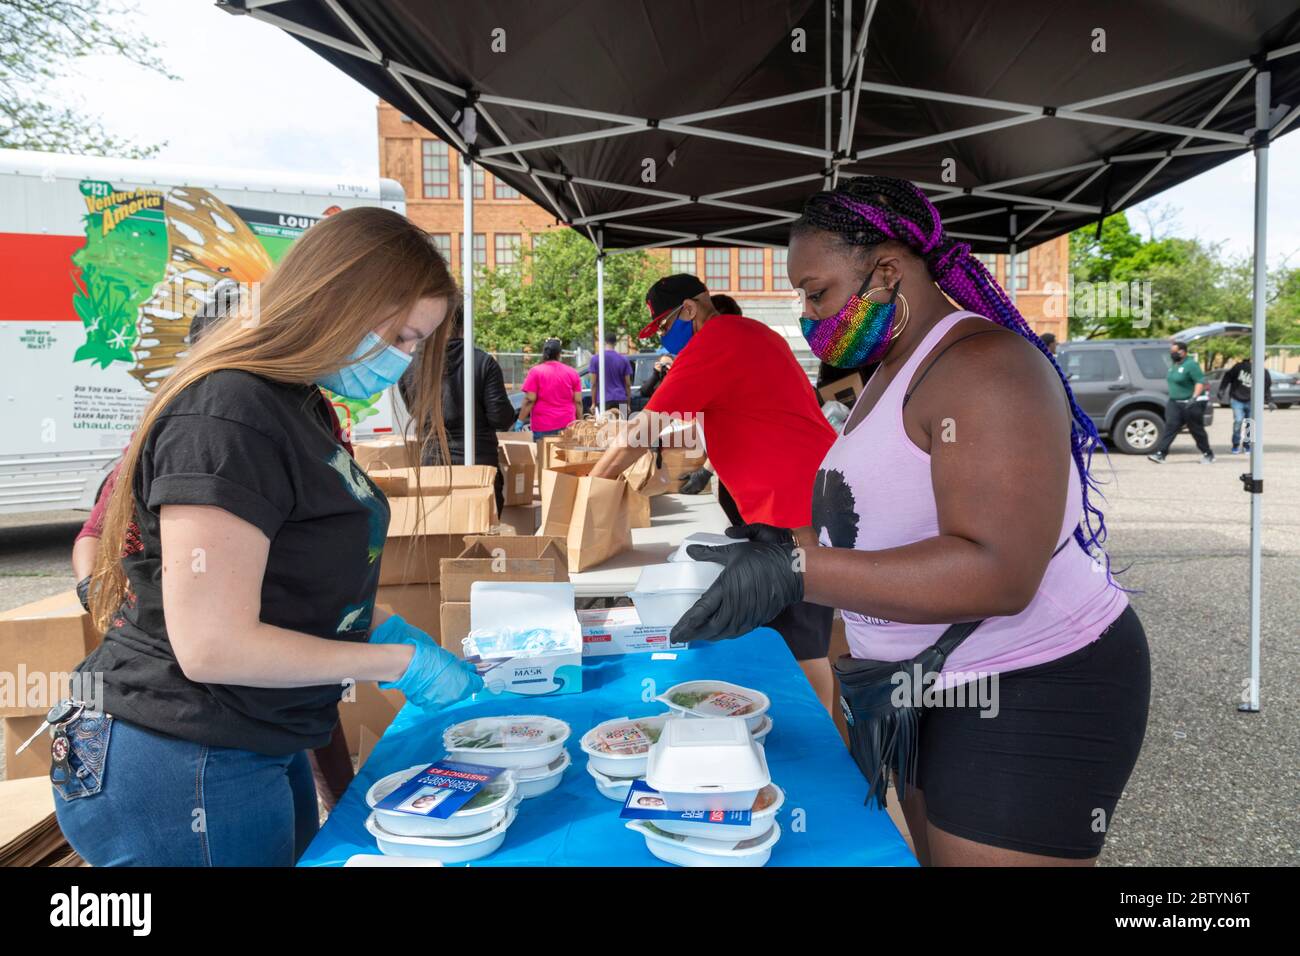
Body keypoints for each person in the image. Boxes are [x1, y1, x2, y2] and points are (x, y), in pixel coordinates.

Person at [671, 176, 1148, 866]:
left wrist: (797, 571)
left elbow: (998, 570)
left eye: (816, 292)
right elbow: (873, 529)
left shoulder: (984, 367)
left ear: (888, 272)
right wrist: (781, 544)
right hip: (925, 685)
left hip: (1029, 678)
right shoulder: (893, 368)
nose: (807, 316)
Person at [58, 207, 483, 866]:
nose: (404, 358)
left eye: (416, 342)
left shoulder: (295, 403)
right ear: (338, 300)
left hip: (248, 735)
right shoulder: (229, 415)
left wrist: (378, 627)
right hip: (178, 747)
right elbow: (213, 645)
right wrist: (395, 665)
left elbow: (287, 577)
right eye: (400, 335)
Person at [587, 274, 839, 710]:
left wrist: (588, 491)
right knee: (789, 636)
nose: (665, 339)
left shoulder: (719, 338)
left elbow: (643, 430)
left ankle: (828, 755)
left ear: (690, 309)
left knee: (804, 644)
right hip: (794, 500)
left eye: (665, 326)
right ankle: (806, 739)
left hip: (795, 509)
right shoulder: (748, 334)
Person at [398, 305, 516, 513]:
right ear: (463, 325)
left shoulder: (411, 365)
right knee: (480, 535)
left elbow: (413, 409)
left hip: (432, 465)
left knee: (439, 535)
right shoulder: (482, 362)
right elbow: (501, 418)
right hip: (478, 464)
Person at [1148, 338, 1214, 463]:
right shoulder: (1175, 365)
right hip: (1175, 402)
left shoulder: (1191, 365)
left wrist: (1193, 398)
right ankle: (1160, 454)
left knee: (1196, 429)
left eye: (1174, 351)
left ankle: (1208, 454)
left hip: (1192, 403)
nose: (1171, 354)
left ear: (1182, 352)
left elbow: (1200, 382)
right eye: (1171, 351)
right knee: (1170, 427)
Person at [516, 337, 582, 440]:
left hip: (543, 425)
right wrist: (580, 422)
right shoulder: (572, 372)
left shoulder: (535, 372)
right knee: (565, 455)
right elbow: (578, 401)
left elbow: (530, 399)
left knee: (544, 455)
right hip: (567, 424)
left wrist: (520, 421)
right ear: (559, 354)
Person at [1218, 356, 1272, 454]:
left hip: (1252, 401)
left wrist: (1270, 401)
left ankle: (1247, 445)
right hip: (1237, 399)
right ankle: (1235, 444)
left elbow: (1266, 388)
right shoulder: (1239, 367)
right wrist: (1222, 389)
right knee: (1238, 421)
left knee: (1250, 423)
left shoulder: (1263, 372)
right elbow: (1227, 377)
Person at [585, 331, 633, 411]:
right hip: (621, 399)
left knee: (605, 423)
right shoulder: (624, 359)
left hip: (603, 400)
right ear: (615, 343)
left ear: (604, 342)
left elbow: (593, 383)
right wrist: (628, 404)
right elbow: (627, 384)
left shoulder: (595, 359)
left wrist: (593, 403)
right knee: (623, 423)